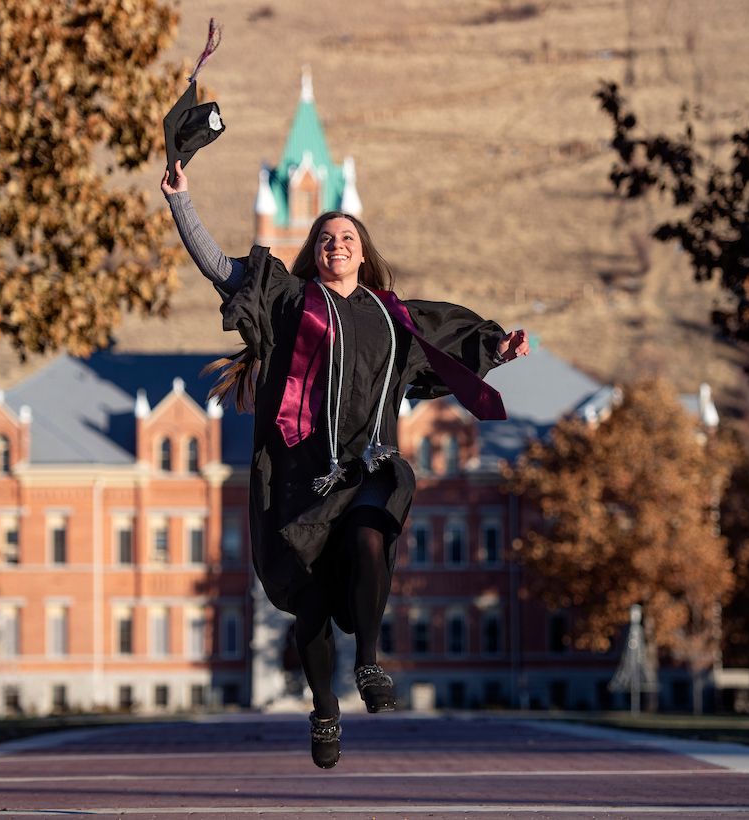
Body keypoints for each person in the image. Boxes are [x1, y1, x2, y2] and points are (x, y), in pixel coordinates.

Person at [161, 160, 530, 769]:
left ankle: (368, 660)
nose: (336, 245)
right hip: (300, 480)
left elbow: (451, 346)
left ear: (363, 254)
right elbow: (224, 272)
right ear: (315, 251)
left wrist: (499, 349)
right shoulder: (288, 302)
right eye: (326, 238)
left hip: (367, 468)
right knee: (310, 603)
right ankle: (325, 708)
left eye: (348, 238)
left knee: (368, 536)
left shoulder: (393, 320)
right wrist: (182, 203)